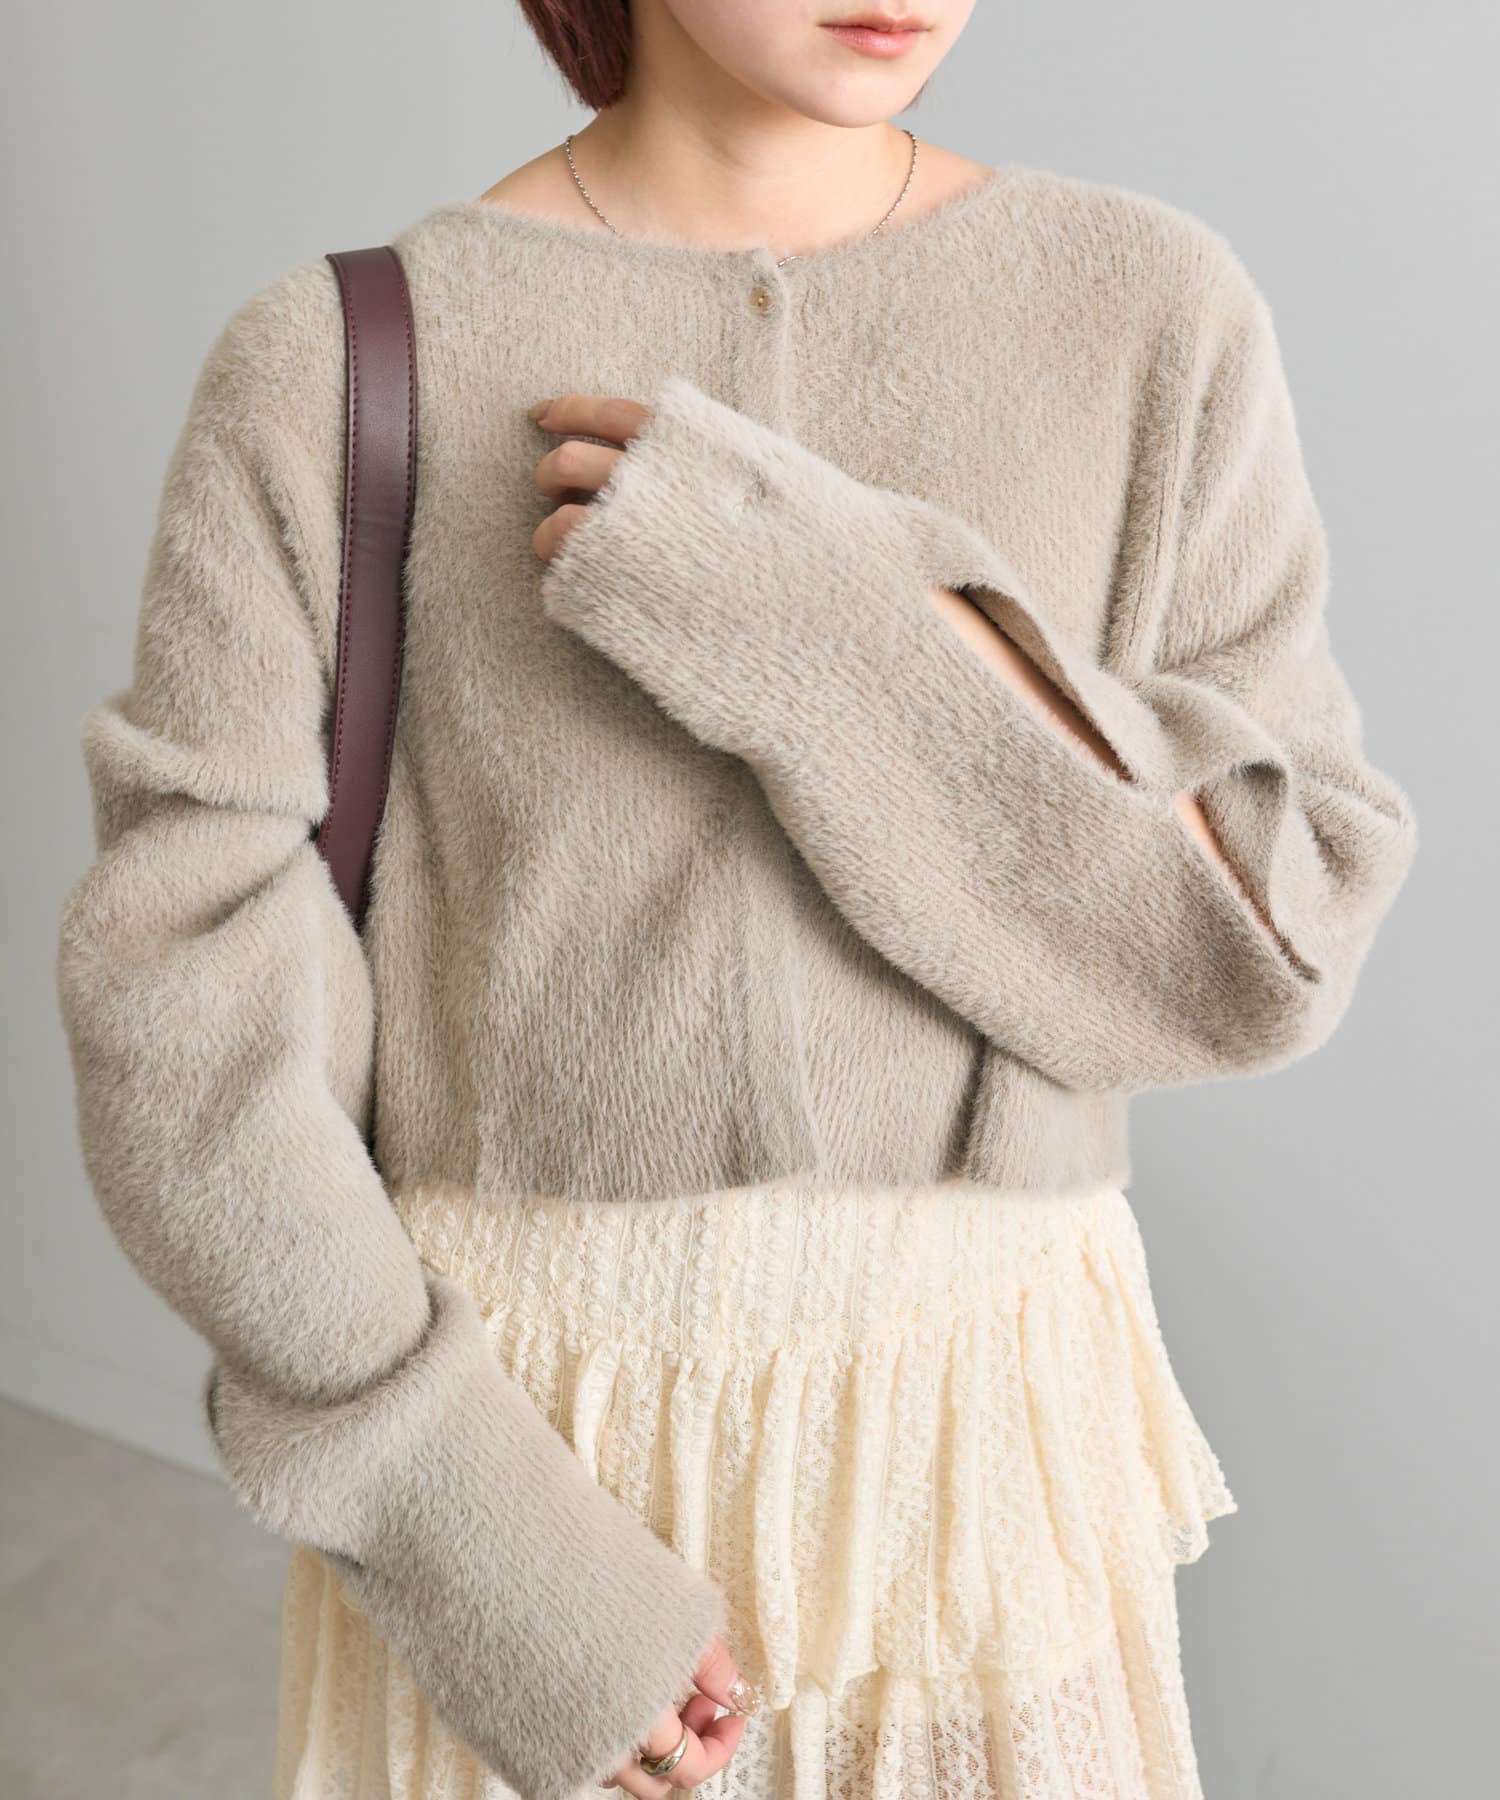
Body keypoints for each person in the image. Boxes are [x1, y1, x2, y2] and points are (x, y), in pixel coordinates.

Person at [54, 2, 1420, 1797]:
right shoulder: (338, 362)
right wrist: (481, 1541)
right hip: (525, 1433)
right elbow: (182, 1023)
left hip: (984, 1451)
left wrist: (854, 639)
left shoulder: (1149, 311)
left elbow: (1270, 949)